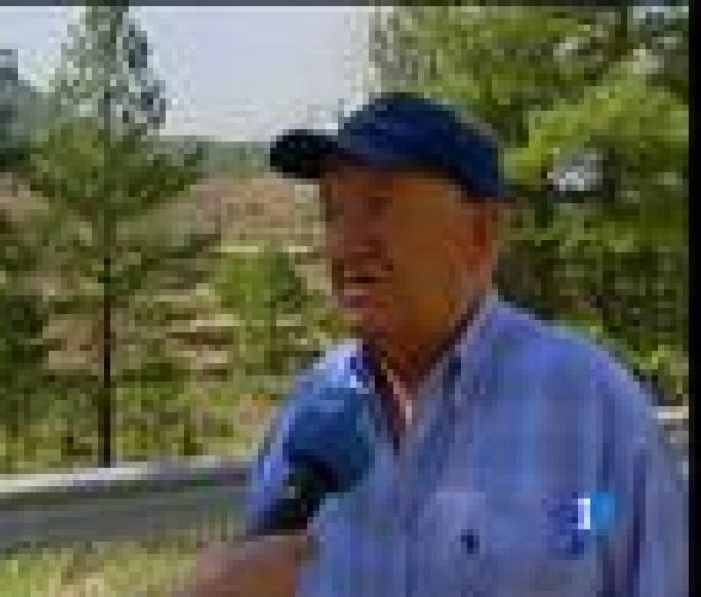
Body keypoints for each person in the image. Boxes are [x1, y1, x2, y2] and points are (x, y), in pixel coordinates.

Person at [175, 92, 687, 596]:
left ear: (481, 232)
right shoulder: (309, 410)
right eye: (333, 213)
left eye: (379, 207)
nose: (346, 245)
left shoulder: (593, 408)